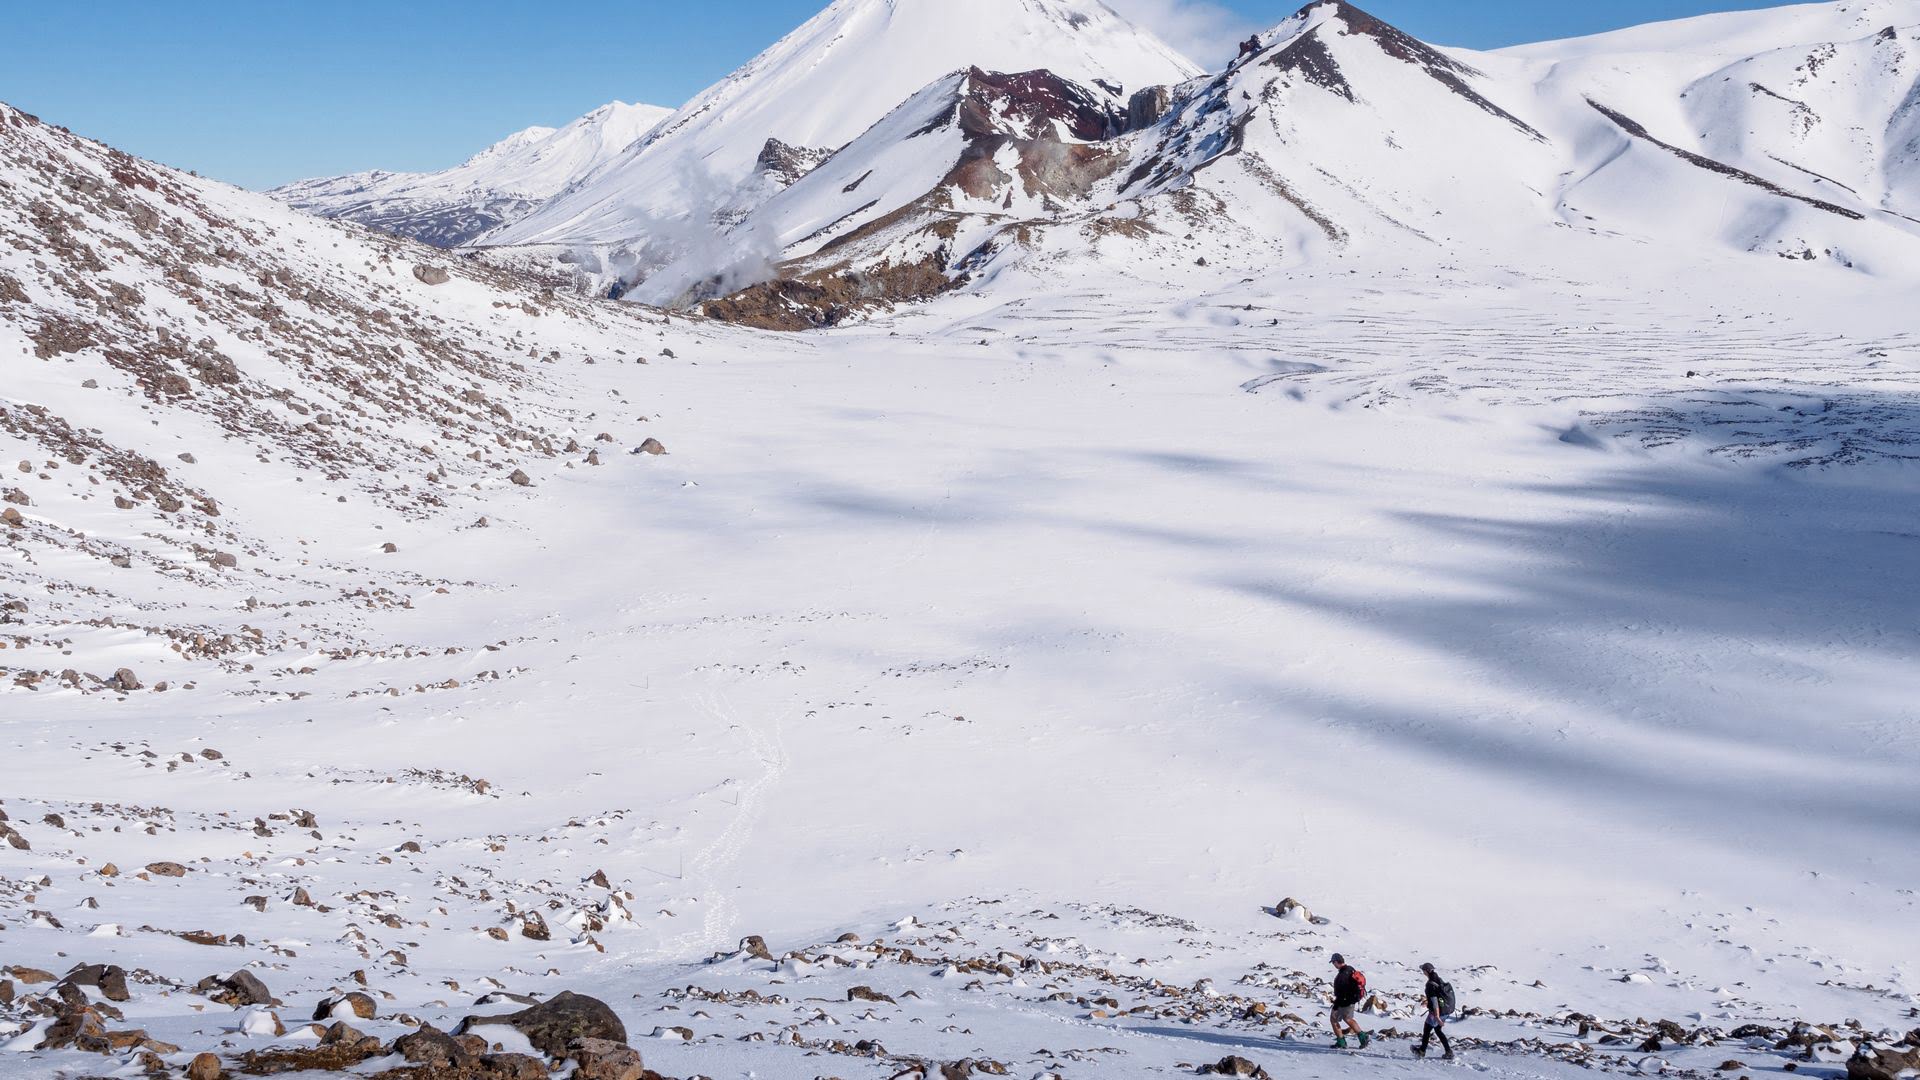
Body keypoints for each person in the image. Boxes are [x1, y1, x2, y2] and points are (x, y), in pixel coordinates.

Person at [1414, 962, 1456, 1060]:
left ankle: (1421, 1051)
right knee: (1437, 1030)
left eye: (1423, 970)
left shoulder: (1430, 984)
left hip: (1437, 1012)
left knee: (1427, 1029)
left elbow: (1435, 1000)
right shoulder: (1438, 979)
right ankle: (1448, 1052)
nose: (1423, 972)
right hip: (1446, 1010)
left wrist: (1437, 1016)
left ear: (1426, 971)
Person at [1328, 953, 1369, 1049]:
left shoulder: (1343, 974)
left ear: (1336, 962)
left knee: (1333, 1019)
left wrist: (1336, 1004)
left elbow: (1342, 991)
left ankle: (1341, 1042)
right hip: (1351, 1000)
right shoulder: (1350, 969)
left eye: (1333, 962)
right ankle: (1363, 1037)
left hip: (1344, 1001)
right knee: (1348, 1019)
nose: (1333, 965)